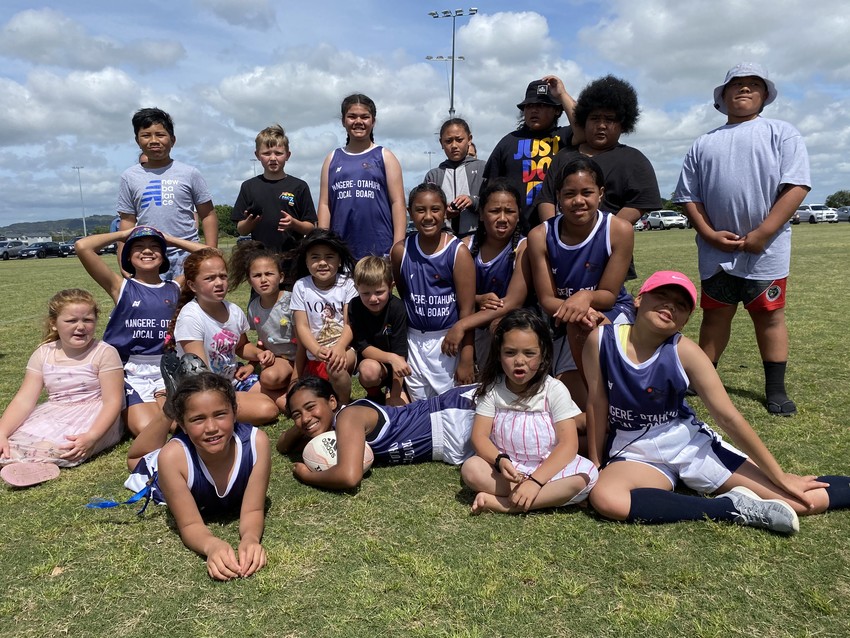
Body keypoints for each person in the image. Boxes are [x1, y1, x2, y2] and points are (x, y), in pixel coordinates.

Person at [583, 271, 850, 534]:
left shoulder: (685, 351)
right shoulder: (601, 340)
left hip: (687, 446)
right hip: (634, 451)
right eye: (661, 295)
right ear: (638, 299)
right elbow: (597, 402)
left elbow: (728, 417)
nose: (670, 306)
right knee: (607, 498)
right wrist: (596, 461)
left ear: (685, 321)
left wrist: (779, 476)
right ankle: (729, 508)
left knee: (802, 502)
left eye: (681, 305)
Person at [673, 63, 810, 416]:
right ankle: (702, 381)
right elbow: (689, 195)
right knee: (716, 315)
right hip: (715, 251)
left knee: (770, 317)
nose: (744, 89)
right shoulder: (704, 142)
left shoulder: (782, 133)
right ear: (722, 96)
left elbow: (796, 186)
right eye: (736, 85)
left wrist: (763, 233)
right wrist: (707, 232)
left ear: (765, 95)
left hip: (768, 250)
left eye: (753, 84)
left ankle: (776, 389)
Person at [126, 372, 270, 581]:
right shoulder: (172, 458)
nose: (211, 428)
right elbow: (190, 525)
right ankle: (168, 412)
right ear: (182, 426)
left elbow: (254, 508)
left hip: (188, 454)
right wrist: (212, 546)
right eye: (198, 419)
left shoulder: (257, 443)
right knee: (137, 460)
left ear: (235, 412)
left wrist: (251, 539)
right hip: (166, 467)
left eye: (220, 414)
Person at [461, 309, 597, 514]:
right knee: (471, 469)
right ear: (498, 355)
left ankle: (507, 505)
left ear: (543, 355)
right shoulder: (493, 390)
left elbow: (569, 444)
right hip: (509, 470)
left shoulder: (553, 389)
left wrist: (535, 481)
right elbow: (479, 437)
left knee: (586, 476)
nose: (519, 360)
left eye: (529, 353)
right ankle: (539, 498)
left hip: (550, 468)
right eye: (510, 352)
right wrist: (500, 460)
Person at [76, 226, 205, 435]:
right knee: (145, 428)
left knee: (174, 425)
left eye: (155, 247)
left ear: (163, 256)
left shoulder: (176, 287)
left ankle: (163, 395)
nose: (147, 251)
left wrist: (170, 239)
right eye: (139, 247)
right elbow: (82, 247)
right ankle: (154, 401)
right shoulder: (121, 287)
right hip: (129, 370)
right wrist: (121, 235)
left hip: (166, 366)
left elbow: (210, 254)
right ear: (128, 256)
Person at [527, 157, 634, 409]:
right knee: (573, 398)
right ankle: (599, 409)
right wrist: (576, 308)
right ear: (558, 196)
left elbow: (608, 294)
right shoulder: (539, 235)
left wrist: (585, 297)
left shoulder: (619, 230)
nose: (578, 201)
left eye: (587, 192)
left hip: (610, 311)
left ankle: (615, 400)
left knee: (588, 331)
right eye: (569, 194)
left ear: (601, 194)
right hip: (564, 319)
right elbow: (546, 299)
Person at [279, 376, 476, 490]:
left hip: (455, 416)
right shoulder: (332, 427)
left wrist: (306, 476)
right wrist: (304, 421)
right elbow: (283, 446)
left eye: (311, 407)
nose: (305, 418)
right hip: (449, 436)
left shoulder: (349, 417)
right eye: (297, 414)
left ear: (332, 402)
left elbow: (349, 476)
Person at [0, 289, 123, 471]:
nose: (80, 327)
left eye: (87, 320)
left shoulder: (104, 353)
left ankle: (38, 466)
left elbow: (113, 402)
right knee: (11, 443)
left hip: (94, 418)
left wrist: (92, 437)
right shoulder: (44, 353)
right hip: (55, 414)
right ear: (54, 324)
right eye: (71, 321)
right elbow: (24, 400)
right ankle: (26, 462)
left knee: (65, 448)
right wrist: (2, 432)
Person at [533, 75, 661, 234]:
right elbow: (546, 199)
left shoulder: (634, 160)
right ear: (583, 121)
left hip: (608, 249)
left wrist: (599, 237)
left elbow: (639, 203)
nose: (601, 125)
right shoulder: (563, 156)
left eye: (609, 119)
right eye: (594, 118)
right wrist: (554, 236)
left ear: (623, 124)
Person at [167, 248, 279, 425]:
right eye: (209, 278)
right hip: (204, 389)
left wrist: (258, 354)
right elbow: (199, 372)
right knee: (268, 409)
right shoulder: (190, 317)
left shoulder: (233, 310)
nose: (219, 283)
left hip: (233, 380)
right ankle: (189, 415)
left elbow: (241, 346)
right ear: (192, 285)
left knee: (282, 399)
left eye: (223, 276)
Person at [390, 183, 475, 400]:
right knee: (420, 409)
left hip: (448, 342)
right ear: (410, 213)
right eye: (420, 210)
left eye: (435, 209)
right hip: (414, 340)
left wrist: (466, 358)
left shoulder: (458, 252)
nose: (428, 216)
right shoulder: (400, 251)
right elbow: (404, 293)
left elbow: (467, 311)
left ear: (445, 210)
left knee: (452, 407)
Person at [117, 107, 217, 278]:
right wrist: (122, 260)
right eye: (146, 135)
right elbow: (126, 222)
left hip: (187, 254)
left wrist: (211, 253)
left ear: (173, 139)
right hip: (149, 255)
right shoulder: (129, 177)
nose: (154, 140)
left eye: (160, 135)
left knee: (190, 303)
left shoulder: (189, 173)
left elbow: (208, 215)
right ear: (137, 140)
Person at [441, 179, 532, 367]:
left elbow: (513, 302)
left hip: (501, 328)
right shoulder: (464, 246)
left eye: (510, 211)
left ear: (519, 214)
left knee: (498, 325)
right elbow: (446, 293)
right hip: (468, 323)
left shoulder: (524, 247)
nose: (502, 218)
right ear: (481, 214)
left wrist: (462, 325)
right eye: (494, 211)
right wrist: (478, 299)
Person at [317, 94, 406, 260]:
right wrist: (323, 242)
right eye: (352, 116)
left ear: (373, 121)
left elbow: (398, 203)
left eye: (365, 117)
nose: (358, 121)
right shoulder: (332, 159)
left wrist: (398, 244)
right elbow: (324, 204)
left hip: (378, 248)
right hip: (340, 249)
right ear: (343, 121)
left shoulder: (385, 156)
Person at [482, 76, 578, 228]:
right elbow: (490, 190)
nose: (534, 110)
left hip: (560, 230)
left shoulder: (566, 137)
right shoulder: (508, 142)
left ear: (557, 110)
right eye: (529, 106)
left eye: (541, 105)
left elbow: (584, 128)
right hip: (516, 233)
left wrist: (562, 95)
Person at [231, 124, 317, 277]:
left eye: (278, 153)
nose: (272, 158)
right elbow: (241, 229)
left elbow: (310, 227)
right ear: (257, 155)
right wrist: (249, 222)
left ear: (288, 155)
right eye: (266, 153)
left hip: (293, 261)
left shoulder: (299, 186)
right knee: (262, 300)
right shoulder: (249, 187)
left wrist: (294, 223)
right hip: (261, 262)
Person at [229, 240, 298, 411]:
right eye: (257, 275)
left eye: (269, 274)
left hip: (298, 359)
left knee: (268, 378)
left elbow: (303, 341)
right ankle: (279, 396)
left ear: (281, 277)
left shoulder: (292, 301)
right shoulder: (253, 307)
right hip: (275, 360)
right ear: (250, 281)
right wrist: (252, 365)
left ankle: (293, 386)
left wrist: (297, 377)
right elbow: (261, 340)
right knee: (268, 377)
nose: (263, 280)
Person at [290, 229, 357, 403]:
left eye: (329, 257)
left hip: (345, 349)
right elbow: (302, 326)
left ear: (339, 260)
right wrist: (316, 350)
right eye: (315, 257)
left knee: (335, 368)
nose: (322, 263)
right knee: (312, 398)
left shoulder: (347, 284)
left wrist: (340, 347)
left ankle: (343, 404)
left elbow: (350, 323)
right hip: (315, 353)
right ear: (306, 261)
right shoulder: (301, 287)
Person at [348, 256, 410, 406]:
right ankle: (375, 396)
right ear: (357, 288)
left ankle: (393, 390)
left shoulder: (397, 308)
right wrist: (391, 358)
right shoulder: (354, 306)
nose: (373, 298)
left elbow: (400, 354)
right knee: (368, 371)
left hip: (398, 368)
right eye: (366, 293)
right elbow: (364, 348)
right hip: (375, 363)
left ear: (391, 286)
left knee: (399, 408)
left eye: (379, 292)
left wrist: (395, 394)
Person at [424, 118, 486, 238]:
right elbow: (426, 210)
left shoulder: (483, 168)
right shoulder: (434, 175)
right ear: (441, 143)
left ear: (469, 139)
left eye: (459, 140)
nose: (454, 146)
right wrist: (444, 213)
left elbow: (494, 204)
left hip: (477, 239)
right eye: (448, 141)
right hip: (443, 239)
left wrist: (473, 201)